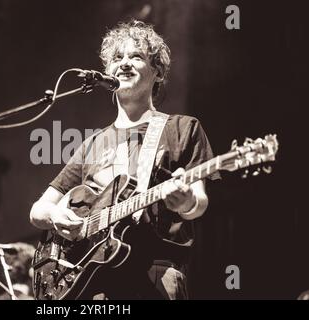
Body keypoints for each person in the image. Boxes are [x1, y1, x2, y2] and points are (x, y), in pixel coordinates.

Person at [30, 19, 220, 300]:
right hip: (90, 281)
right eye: (118, 58)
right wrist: (56, 215)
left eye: (136, 56)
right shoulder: (92, 144)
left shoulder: (182, 128)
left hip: (155, 274)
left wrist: (187, 202)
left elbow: (199, 203)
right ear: (107, 72)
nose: (125, 63)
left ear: (157, 72)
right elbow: (38, 211)